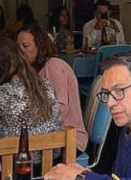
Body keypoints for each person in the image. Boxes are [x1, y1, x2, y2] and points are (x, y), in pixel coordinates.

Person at [17, 22, 89, 151]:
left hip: (68, 140)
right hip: (51, 136)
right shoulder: (35, 70)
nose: (20, 50)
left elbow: (58, 108)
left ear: (40, 46)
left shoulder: (53, 66)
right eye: (18, 46)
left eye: (25, 46)